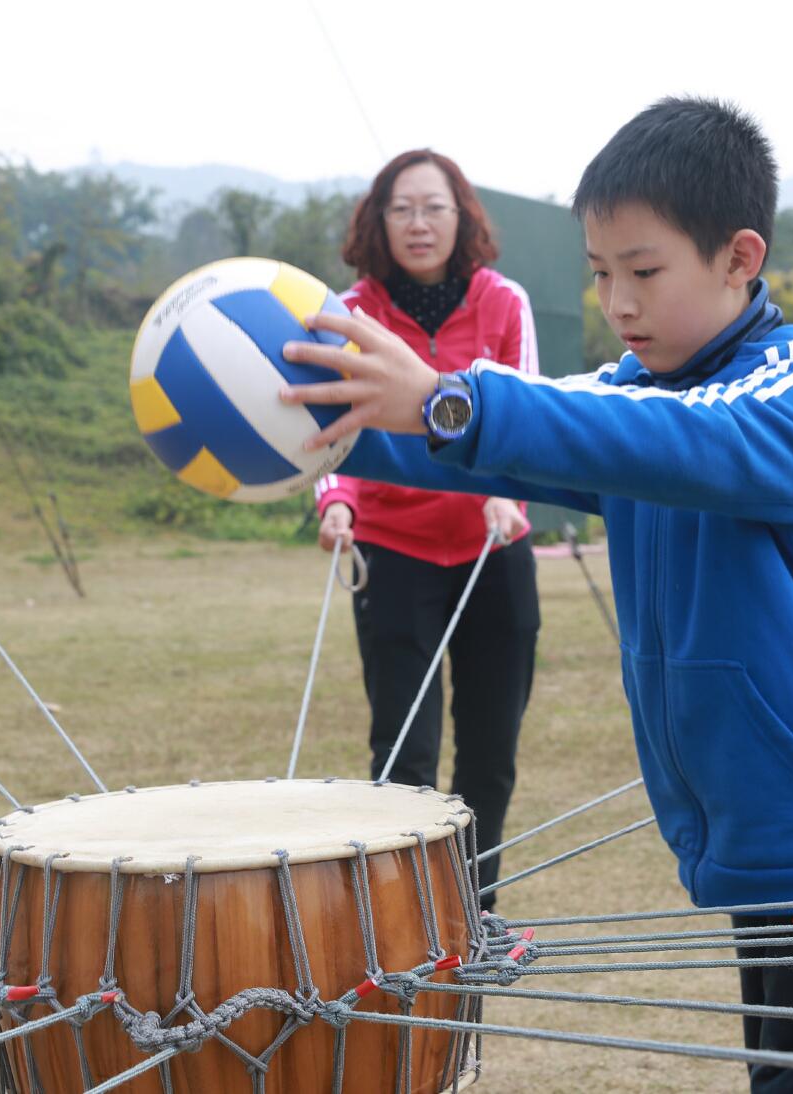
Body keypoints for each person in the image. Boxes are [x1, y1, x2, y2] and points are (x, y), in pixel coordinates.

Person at [282, 97, 793, 1094]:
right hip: (765, 833)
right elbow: (527, 430)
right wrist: (323, 423)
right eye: (601, 275)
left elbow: (683, 443)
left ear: (738, 256)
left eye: (644, 271)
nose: (619, 302)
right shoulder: (641, 390)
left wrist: (443, 395)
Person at [313, 150, 540, 906]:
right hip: (392, 549)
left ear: (462, 217)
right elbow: (327, 425)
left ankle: (474, 912)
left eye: (434, 207)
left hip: (493, 548)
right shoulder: (350, 311)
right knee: (402, 753)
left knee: (490, 753)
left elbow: (532, 415)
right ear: (378, 222)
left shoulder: (505, 302)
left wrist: (511, 495)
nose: (418, 223)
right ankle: (403, 921)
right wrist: (337, 499)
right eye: (402, 208)